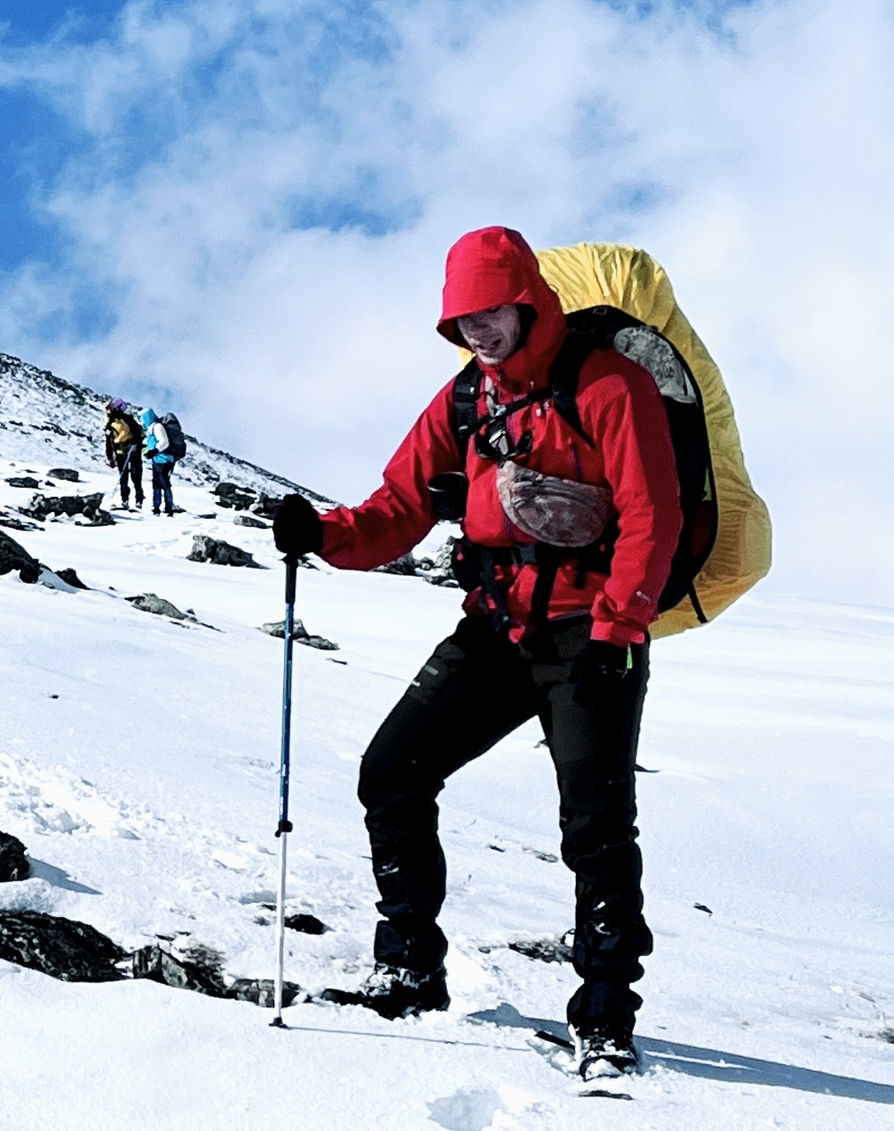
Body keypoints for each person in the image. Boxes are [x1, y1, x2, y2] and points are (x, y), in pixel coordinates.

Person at [271, 226, 681, 1078]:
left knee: (597, 827)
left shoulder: (611, 384)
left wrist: (621, 628)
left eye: (486, 314)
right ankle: (410, 966)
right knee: (391, 772)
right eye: (460, 321)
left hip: (590, 632)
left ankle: (605, 1013)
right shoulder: (466, 401)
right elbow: (397, 507)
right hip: (496, 629)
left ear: (525, 298)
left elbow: (653, 515)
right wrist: (322, 533)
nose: (475, 333)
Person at [104, 399, 144, 508]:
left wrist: (110, 457)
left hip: (126, 451)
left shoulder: (120, 421)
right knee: (130, 477)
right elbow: (109, 442)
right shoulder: (120, 421)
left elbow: (109, 442)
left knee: (129, 477)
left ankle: (131, 500)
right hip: (127, 451)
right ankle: (132, 500)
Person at [142, 406, 177, 516]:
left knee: (163, 483)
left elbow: (164, 442)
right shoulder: (152, 428)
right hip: (158, 459)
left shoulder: (157, 427)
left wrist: (153, 451)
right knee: (157, 483)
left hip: (164, 459)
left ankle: (168, 508)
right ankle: (157, 507)